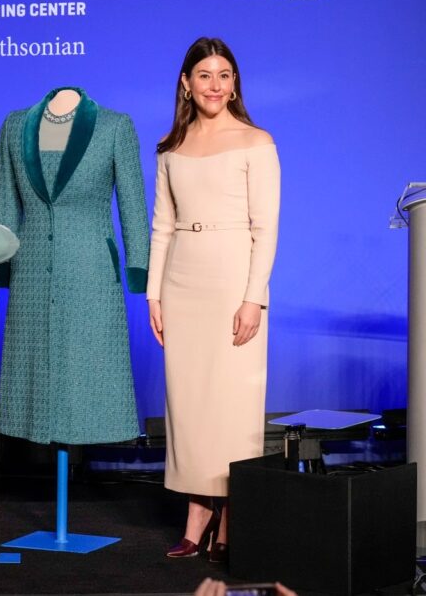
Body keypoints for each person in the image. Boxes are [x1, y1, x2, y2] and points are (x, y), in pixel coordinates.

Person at [147, 37, 280, 563]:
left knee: (232, 404)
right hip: (182, 282)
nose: (215, 85)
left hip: (232, 281)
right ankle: (196, 513)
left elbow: (266, 229)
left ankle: (230, 516)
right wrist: (154, 294)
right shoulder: (170, 147)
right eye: (204, 75)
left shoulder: (256, 141)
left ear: (235, 84)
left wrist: (253, 299)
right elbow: (162, 227)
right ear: (186, 83)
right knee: (189, 405)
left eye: (224, 75)